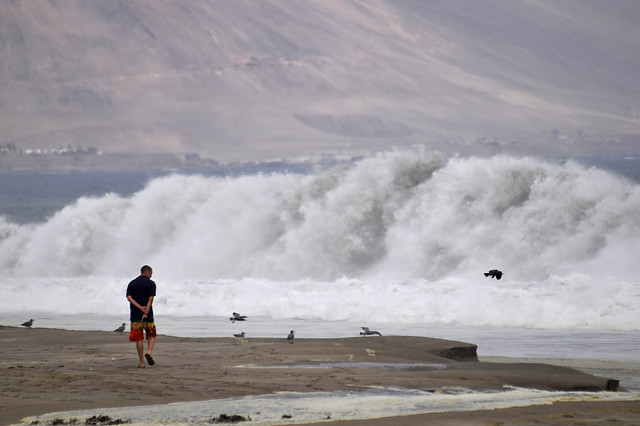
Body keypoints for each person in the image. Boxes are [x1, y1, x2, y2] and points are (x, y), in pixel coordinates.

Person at [126, 265, 157, 368]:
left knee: (139, 338)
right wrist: (146, 313)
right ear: (147, 272)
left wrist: (139, 308)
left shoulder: (132, 283)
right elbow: (150, 300)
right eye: (151, 273)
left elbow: (129, 298)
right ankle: (148, 352)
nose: (151, 275)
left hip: (135, 315)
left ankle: (142, 363)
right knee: (152, 334)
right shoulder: (151, 284)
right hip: (148, 315)